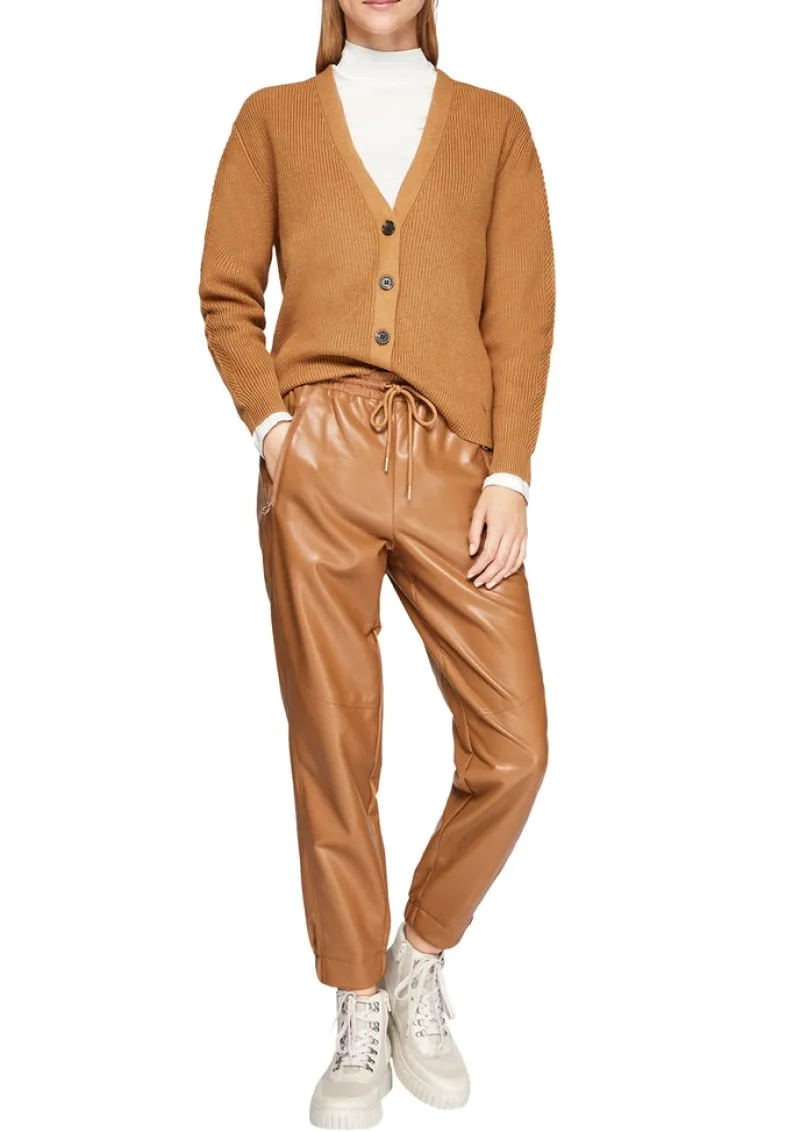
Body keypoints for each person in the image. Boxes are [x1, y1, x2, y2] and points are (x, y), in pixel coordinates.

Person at [198, 0, 555, 1126]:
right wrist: (274, 431)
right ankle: (357, 1003)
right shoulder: (272, 118)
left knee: (516, 746)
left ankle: (418, 953)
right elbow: (226, 294)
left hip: (457, 467)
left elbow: (522, 314)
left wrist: (511, 473)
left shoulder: (495, 126)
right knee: (334, 744)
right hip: (319, 457)